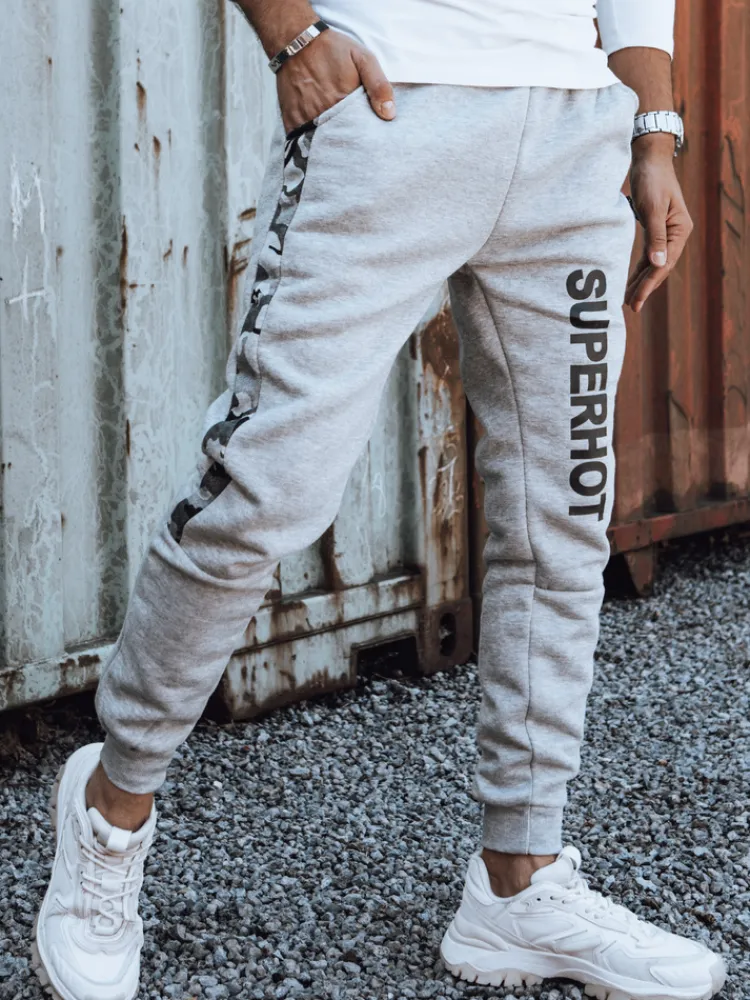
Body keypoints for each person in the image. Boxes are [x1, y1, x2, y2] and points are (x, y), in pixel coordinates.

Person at [32, 2, 727, 999]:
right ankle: (111, 808)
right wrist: (293, 39)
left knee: (563, 518)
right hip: (394, 107)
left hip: (575, 135)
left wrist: (652, 128)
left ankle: (518, 882)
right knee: (265, 488)